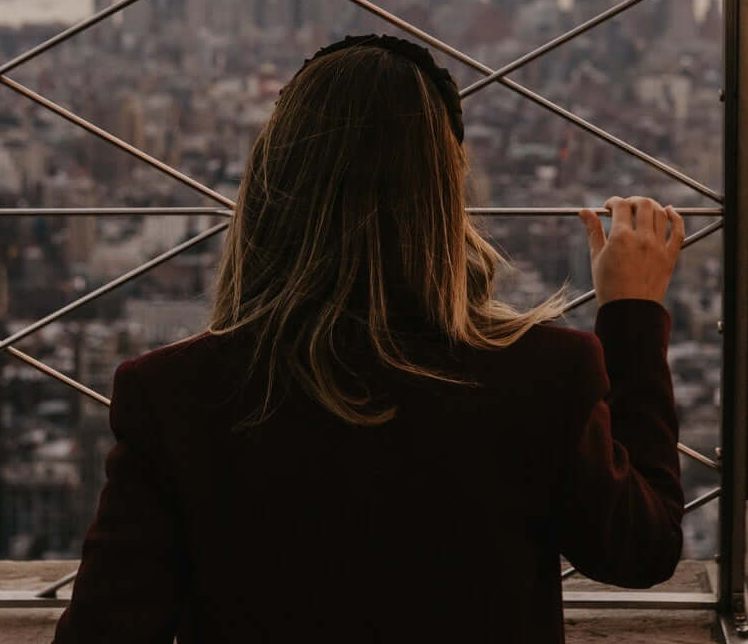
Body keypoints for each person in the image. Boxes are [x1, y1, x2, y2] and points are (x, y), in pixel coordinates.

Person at [53, 33, 686, 642]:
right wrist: (631, 314)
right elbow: (642, 550)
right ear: (446, 196)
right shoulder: (545, 375)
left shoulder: (172, 396)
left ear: (270, 186)